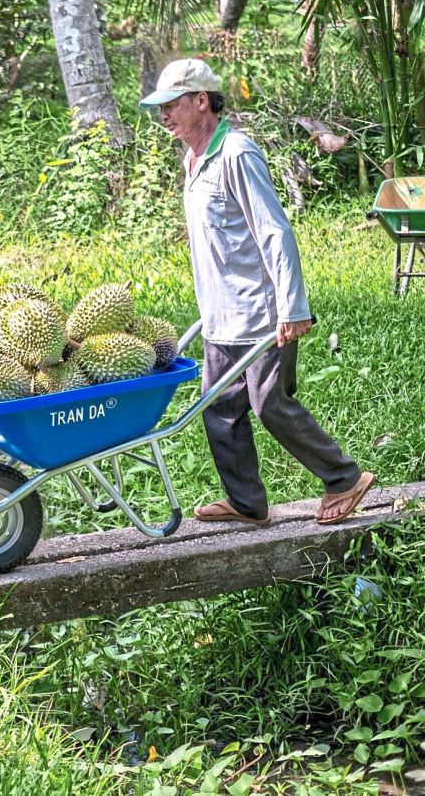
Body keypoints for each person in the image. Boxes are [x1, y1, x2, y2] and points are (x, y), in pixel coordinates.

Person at [138, 58, 375, 526]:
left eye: (172, 105)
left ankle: (343, 478)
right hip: (220, 314)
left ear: (201, 101)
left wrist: (292, 306)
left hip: (263, 312)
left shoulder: (237, 153)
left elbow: (274, 232)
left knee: (271, 405)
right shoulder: (194, 158)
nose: (164, 116)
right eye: (160, 108)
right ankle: (247, 504)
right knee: (219, 410)